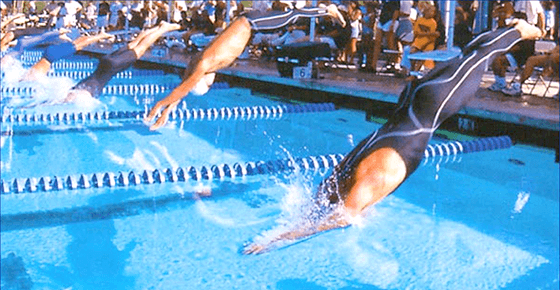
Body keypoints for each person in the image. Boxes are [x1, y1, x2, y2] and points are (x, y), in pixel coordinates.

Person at [242, 19, 543, 255]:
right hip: (413, 103)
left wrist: (281, 236)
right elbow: (330, 202)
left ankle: (520, 30)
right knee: (469, 55)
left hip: (430, 104)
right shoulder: (351, 171)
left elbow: (345, 216)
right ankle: (513, 29)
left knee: (480, 56)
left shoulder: (372, 176)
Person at [145, 4, 346, 130]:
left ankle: (327, 9)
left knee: (292, 16)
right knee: (289, 18)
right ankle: (324, 10)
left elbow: (182, 89)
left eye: (209, 84)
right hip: (249, 24)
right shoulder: (196, 64)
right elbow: (183, 88)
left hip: (252, 23)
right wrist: (167, 111)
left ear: (204, 80)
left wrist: (157, 106)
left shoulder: (204, 65)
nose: (213, 81)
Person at [61, 21, 181, 102]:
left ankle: (163, 28)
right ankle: (159, 27)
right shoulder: (78, 87)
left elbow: (74, 100)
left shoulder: (83, 94)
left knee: (142, 46)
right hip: (105, 61)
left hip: (113, 66)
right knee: (135, 43)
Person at [488, 0, 545, 94]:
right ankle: (500, 83)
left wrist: (542, 29)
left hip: (521, 56)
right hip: (514, 53)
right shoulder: (513, 28)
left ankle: (506, 84)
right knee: (496, 58)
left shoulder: (527, 33)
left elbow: (520, 48)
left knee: (498, 59)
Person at [21, 31, 114, 81]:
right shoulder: (28, 74)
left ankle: (101, 36)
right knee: (77, 43)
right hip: (48, 54)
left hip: (52, 57)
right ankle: (99, 35)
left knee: (79, 45)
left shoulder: (30, 78)